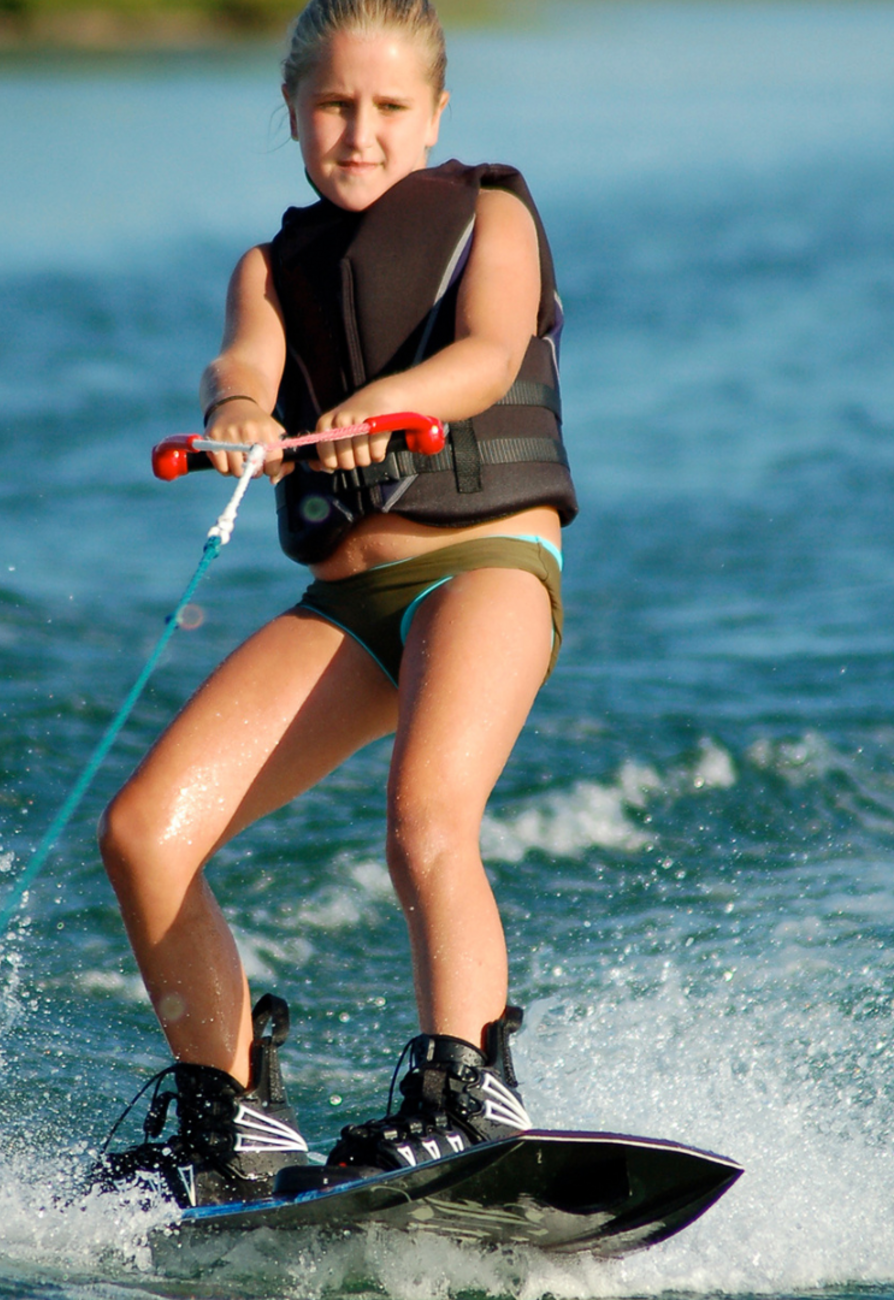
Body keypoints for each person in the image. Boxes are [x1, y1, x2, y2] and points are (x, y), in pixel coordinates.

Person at [96, 0, 577, 1207]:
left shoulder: (491, 217)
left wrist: (388, 399)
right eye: (331, 106)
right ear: (293, 111)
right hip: (348, 607)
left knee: (424, 817)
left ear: (435, 114)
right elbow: (241, 364)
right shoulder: (269, 266)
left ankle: (468, 1083)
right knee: (145, 835)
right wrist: (238, 420)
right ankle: (231, 1108)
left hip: (482, 568)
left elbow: (488, 350)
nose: (359, 133)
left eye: (388, 108)